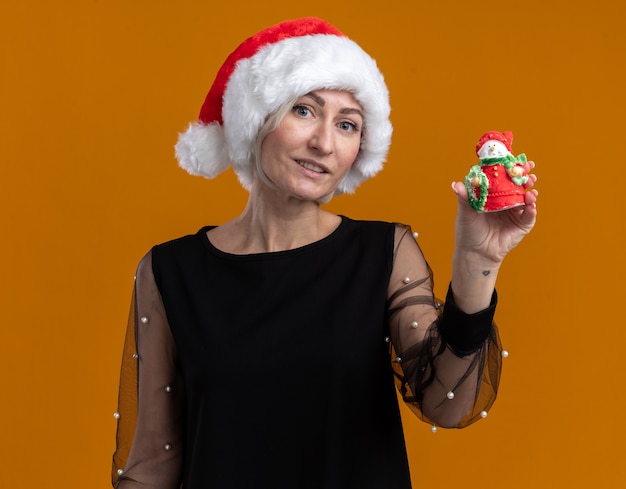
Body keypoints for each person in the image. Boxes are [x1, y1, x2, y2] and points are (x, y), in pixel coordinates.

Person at [111, 17, 537, 489]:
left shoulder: (384, 255)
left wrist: (481, 259)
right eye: (304, 110)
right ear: (259, 116)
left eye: (348, 124)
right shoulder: (172, 272)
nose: (324, 143)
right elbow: (150, 464)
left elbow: (448, 402)